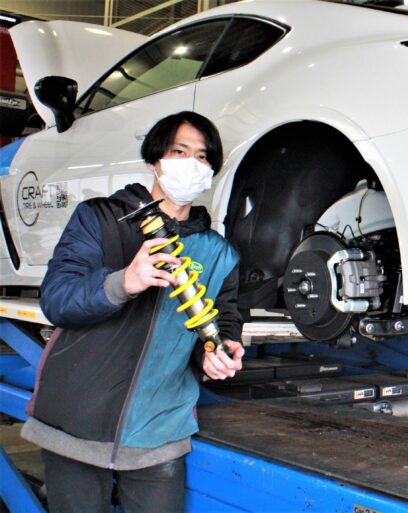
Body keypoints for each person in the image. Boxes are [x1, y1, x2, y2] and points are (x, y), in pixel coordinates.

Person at [21, 111, 244, 513]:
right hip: (75, 424)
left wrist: (219, 350)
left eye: (202, 157)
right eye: (180, 152)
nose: (192, 164)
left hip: (158, 431)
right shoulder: (100, 218)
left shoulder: (219, 253)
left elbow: (223, 320)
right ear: (154, 159)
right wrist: (123, 282)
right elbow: (56, 299)